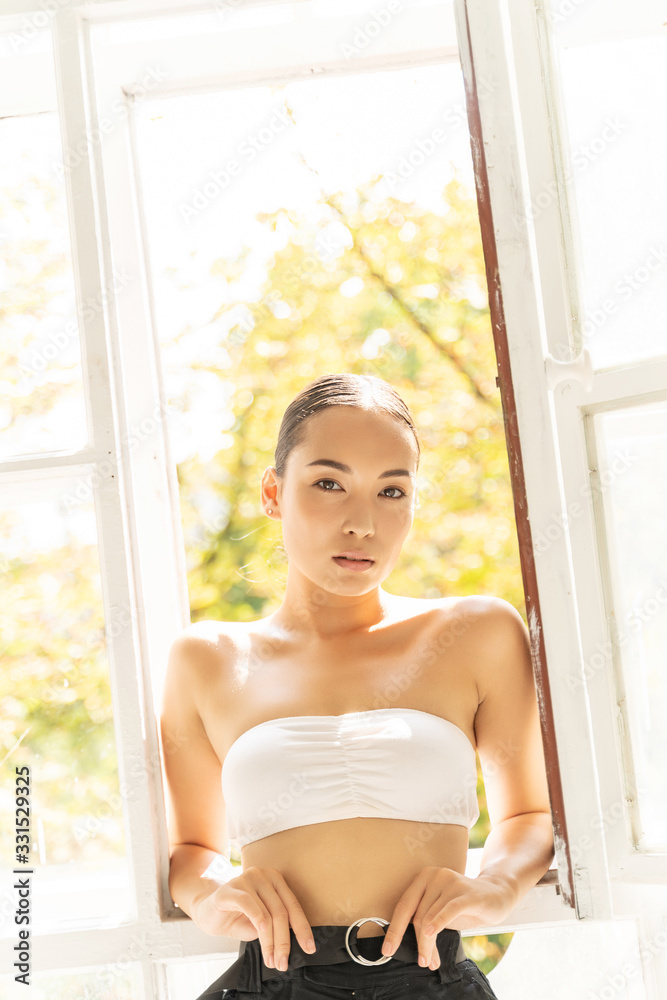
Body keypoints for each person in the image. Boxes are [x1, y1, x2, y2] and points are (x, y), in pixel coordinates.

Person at [161, 371, 555, 999]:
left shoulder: (477, 632)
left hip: (431, 981)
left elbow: (530, 815)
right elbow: (190, 850)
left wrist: (496, 886)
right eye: (329, 484)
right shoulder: (207, 658)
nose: (363, 523)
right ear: (273, 492)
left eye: (391, 491)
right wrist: (211, 897)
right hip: (272, 984)